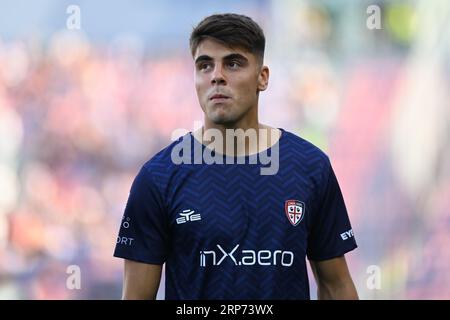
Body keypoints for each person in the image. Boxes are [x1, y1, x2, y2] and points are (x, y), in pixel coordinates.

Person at [114, 13, 358, 300]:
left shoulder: (309, 166)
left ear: (262, 77)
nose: (217, 75)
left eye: (233, 63)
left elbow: (335, 286)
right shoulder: (158, 177)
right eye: (205, 65)